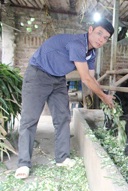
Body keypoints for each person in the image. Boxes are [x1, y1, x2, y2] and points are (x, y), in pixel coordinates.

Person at [14, 18, 115, 179]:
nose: (101, 39)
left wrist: (100, 94)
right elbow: (86, 80)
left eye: (105, 38)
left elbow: (91, 77)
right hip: (38, 74)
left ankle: (62, 158)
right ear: (90, 30)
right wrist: (104, 97)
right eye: (99, 33)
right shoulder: (77, 44)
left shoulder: (91, 53)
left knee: (63, 117)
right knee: (29, 119)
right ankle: (23, 163)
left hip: (58, 78)